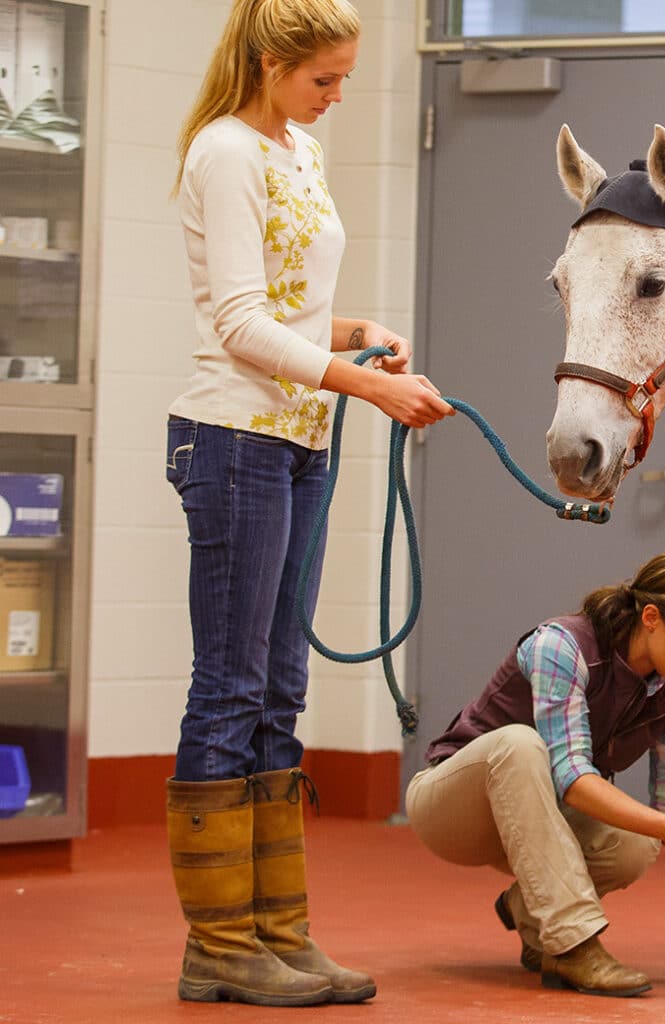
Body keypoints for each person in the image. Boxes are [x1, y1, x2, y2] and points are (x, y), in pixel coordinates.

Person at [164, 0, 454, 1008]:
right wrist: (365, 382)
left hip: (298, 439)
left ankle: (279, 933)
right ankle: (220, 944)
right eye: (321, 81)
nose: (334, 100)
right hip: (234, 435)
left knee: (282, 689)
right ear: (268, 60)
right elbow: (240, 322)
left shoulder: (296, 150)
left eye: (342, 81)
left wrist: (355, 328)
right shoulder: (225, 152)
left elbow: (283, 302)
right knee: (232, 689)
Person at [406, 550, 665, 998]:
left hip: (540, 819)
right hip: (454, 810)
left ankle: (535, 922)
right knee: (521, 745)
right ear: (651, 617)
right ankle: (573, 944)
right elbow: (570, 775)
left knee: (639, 842)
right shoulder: (561, 648)